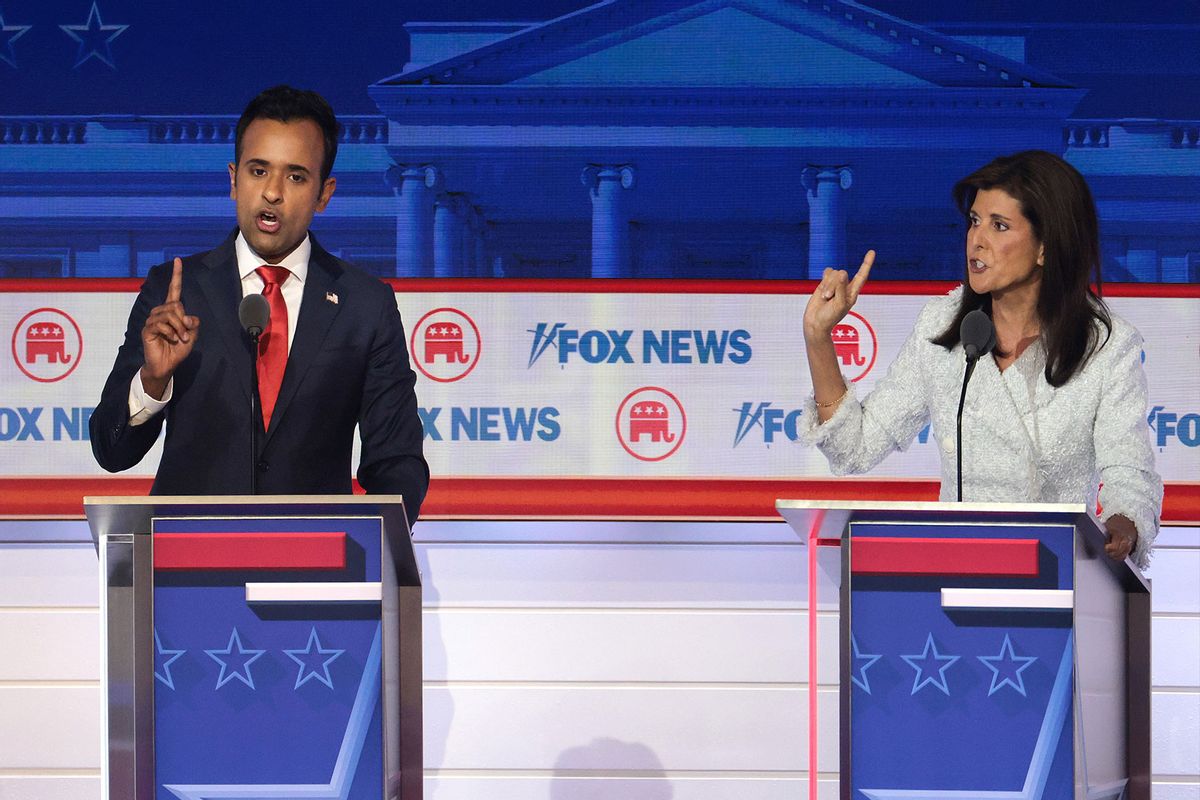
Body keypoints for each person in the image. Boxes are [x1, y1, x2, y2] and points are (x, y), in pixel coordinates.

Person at [800, 150, 1161, 568]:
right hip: (955, 575)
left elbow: (1128, 471)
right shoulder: (942, 326)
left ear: (1046, 246)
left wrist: (1124, 523)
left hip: (1059, 578)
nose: (977, 240)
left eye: (999, 225)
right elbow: (853, 448)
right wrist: (818, 337)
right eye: (974, 221)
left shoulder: (1107, 347)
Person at [90, 85, 428, 525]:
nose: (272, 193)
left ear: (324, 194)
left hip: (316, 567)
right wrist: (154, 380)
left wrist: (372, 541)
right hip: (188, 565)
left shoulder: (365, 305)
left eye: (295, 176)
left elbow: (397, 460)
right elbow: (111, 451)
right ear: (233, 180)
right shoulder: (176, 291)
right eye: (258, 171)